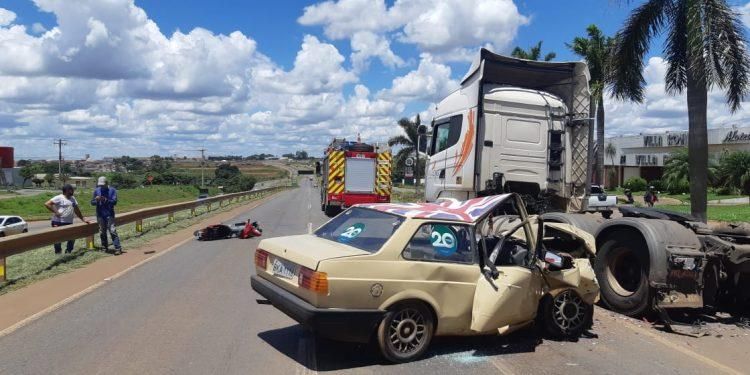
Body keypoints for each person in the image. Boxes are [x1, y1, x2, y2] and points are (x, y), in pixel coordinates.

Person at [45, 184, 91, 255]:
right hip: (57, 222)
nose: (73, 191)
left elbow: (76, 210)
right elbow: (47, 204)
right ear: (66, 190)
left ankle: (68, 252)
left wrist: (83, 219)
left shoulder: (73, 198)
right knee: (57, 239)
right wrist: (56, 212)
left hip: (68, 222)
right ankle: (58, 253)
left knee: (72, 237)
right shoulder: (59, 197)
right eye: (71, 190)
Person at [91, 176, 122, 255]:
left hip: (109, 214)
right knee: (102, 231)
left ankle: (118, 248)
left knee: (112, 230)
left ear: (107, 183)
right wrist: (97, 201)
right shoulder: (96, 191)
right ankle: (104, 247)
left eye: (103, 185)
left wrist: (105, 200)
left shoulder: (112, 190)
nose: (101, 186)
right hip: (100, 214)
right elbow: (92, 202)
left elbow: (114, 202)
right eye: (100, 185)